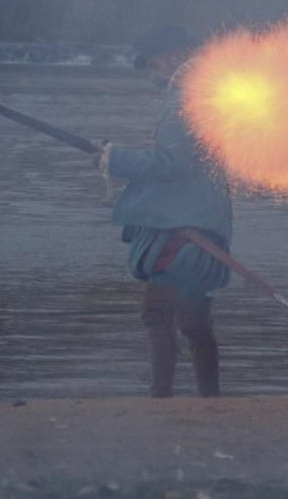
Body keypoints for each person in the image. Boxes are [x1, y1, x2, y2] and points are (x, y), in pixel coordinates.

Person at [93, 26, 233, 397]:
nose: (153, 74)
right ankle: (210, 401)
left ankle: (161, 401)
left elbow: (170, 163)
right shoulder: (204, 94)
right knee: (193, 319)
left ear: (173, 57)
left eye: (154, 64)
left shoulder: (185, 98)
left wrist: (115, 158)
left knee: (158, 313)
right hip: (203, 223)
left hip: (184, 228)